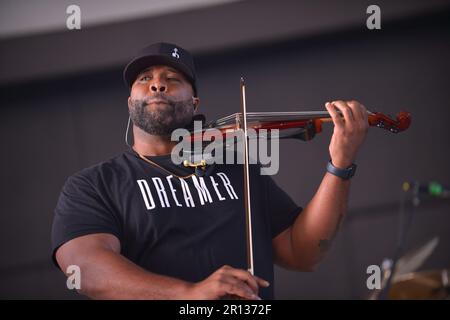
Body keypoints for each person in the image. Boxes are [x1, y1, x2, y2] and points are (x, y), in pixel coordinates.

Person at [51, 42, 369, 300]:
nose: (158, 83)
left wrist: (340, 165)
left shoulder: (237, 167)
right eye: (145, 78)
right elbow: (85, 270)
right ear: (130, 102)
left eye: (173, 79)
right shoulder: (93, 186)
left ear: (195, 103)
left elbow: (302, 254)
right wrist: (189, 294)